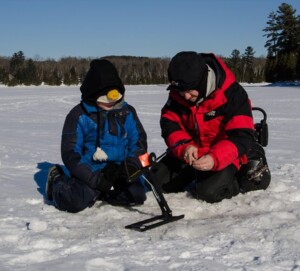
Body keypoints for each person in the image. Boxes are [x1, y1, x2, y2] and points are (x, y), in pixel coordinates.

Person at [150, 51, 271, 203]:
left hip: (226, 152)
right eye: (181, 91)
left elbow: (242, 136)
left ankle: (248, 163)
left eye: (189, 90)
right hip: (193, 151)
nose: (185, 96)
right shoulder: (178, 93)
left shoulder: (233, 94)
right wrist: (184, 147)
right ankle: (196, 174)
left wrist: (215, 158)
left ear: (202, 80)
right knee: (155, 181)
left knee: (209, 193)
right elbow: (169, 122)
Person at [46, 59, 148, 213]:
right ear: (93, 95)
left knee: (136, 195)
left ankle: (105, 191)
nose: (111, 102)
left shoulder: (127, 112)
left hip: (119, 170)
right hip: (90, 171)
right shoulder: (79, 115)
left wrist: (131, 165)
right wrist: (96, 179)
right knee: (74, 201)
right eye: (105, 98)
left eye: (115, 97)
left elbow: (139, 142)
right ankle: (56, 180)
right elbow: (70, 154)